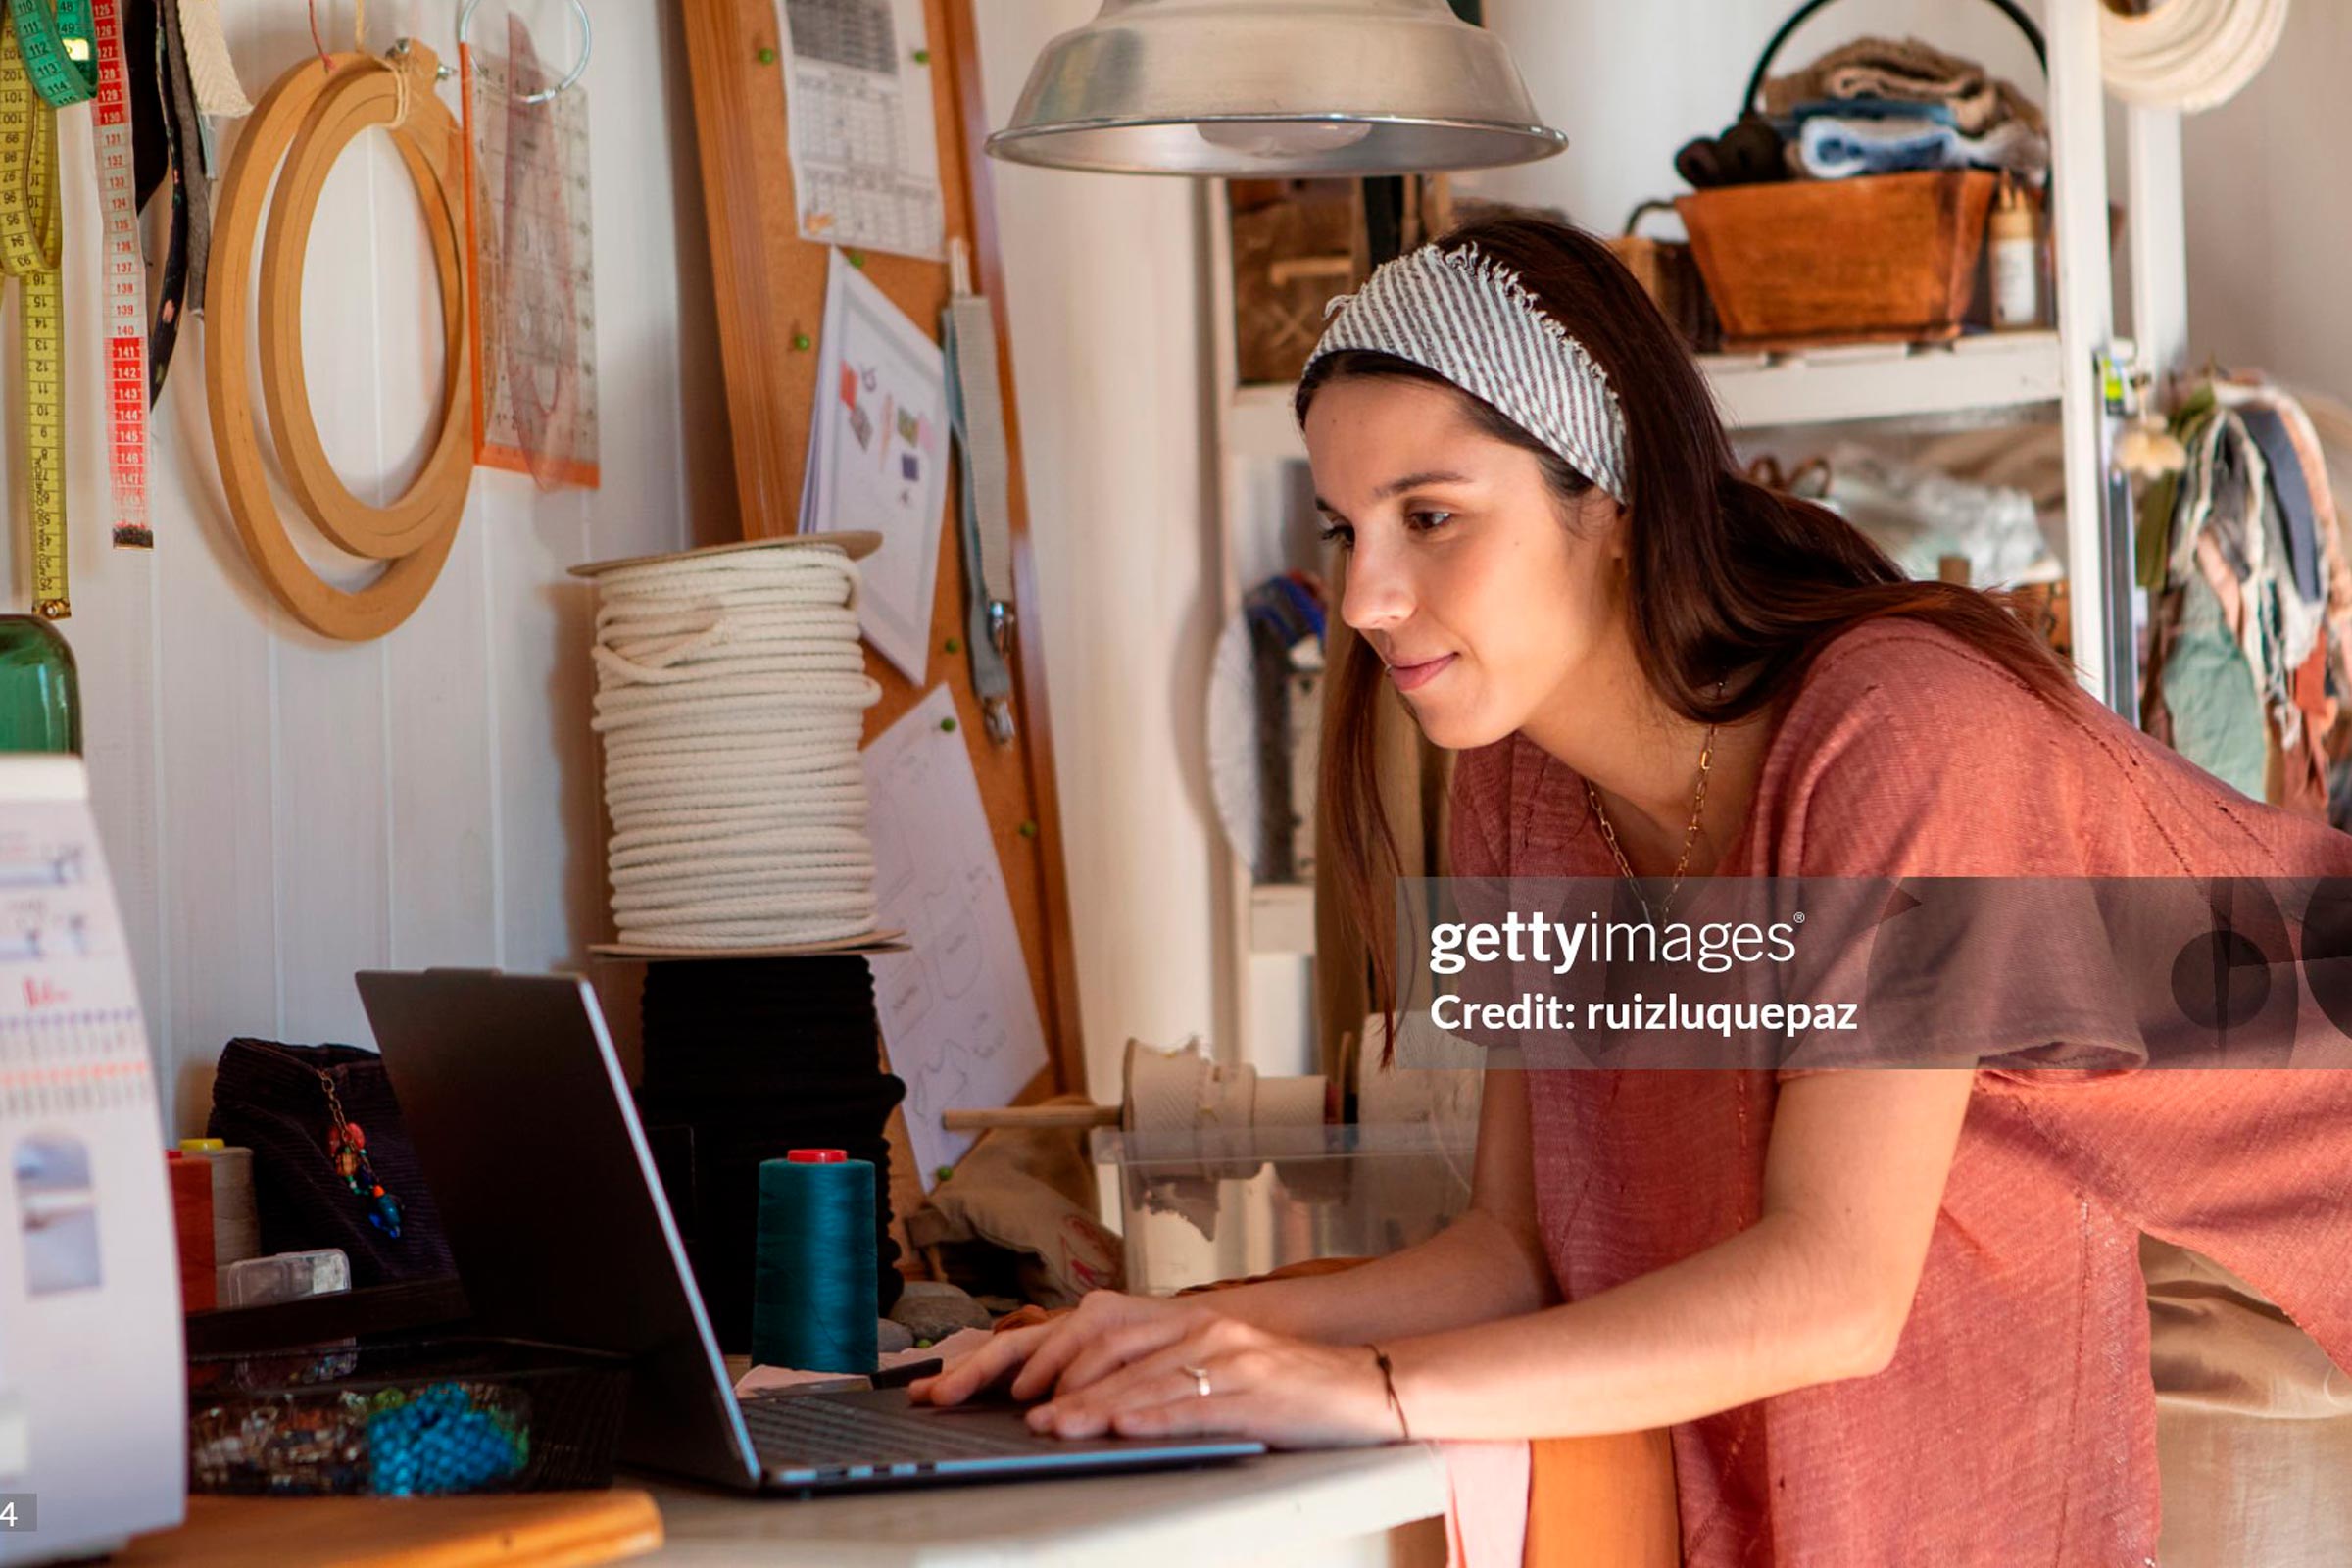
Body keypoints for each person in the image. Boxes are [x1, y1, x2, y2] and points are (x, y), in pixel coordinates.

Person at [911, 217, 2352, 1563]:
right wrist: (1172, 1337)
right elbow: (1512, 1251)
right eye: (1346, 528)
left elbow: (1836, 1289)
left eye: (1431, 515)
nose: (1363, 599)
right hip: (2100, 1255)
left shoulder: (1903, 734)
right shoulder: (1516, 773)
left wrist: (1370, 1385)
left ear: (1608, 496)